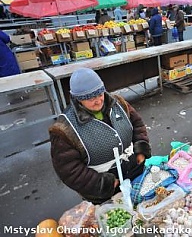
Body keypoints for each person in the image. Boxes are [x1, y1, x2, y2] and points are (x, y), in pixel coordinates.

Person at [49, 68, 151, 204]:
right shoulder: (64, 129)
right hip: (105, 191)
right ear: (78, 99)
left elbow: (137, 125)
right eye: (90, 98)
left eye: (99, 94)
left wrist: (141, 151)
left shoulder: (119, 103)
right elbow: (69, 170)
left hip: (133, 171)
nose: (97, 101)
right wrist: (104, 184)